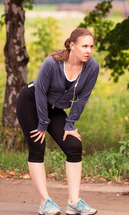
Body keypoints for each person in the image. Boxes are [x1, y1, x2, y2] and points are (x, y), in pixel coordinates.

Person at [16, 28, 99, 215]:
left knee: (74, 146)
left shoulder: (92, 67)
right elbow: (40, 92)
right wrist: (42, 124)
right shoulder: (52, 62)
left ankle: (74, 202)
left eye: (91, 46)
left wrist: (70, 124)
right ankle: (45, 202)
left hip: (54, 109)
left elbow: (82, 98)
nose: (89, 51)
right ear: (72, 46)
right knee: (37, 146)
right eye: (84, 46)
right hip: (30, 101)